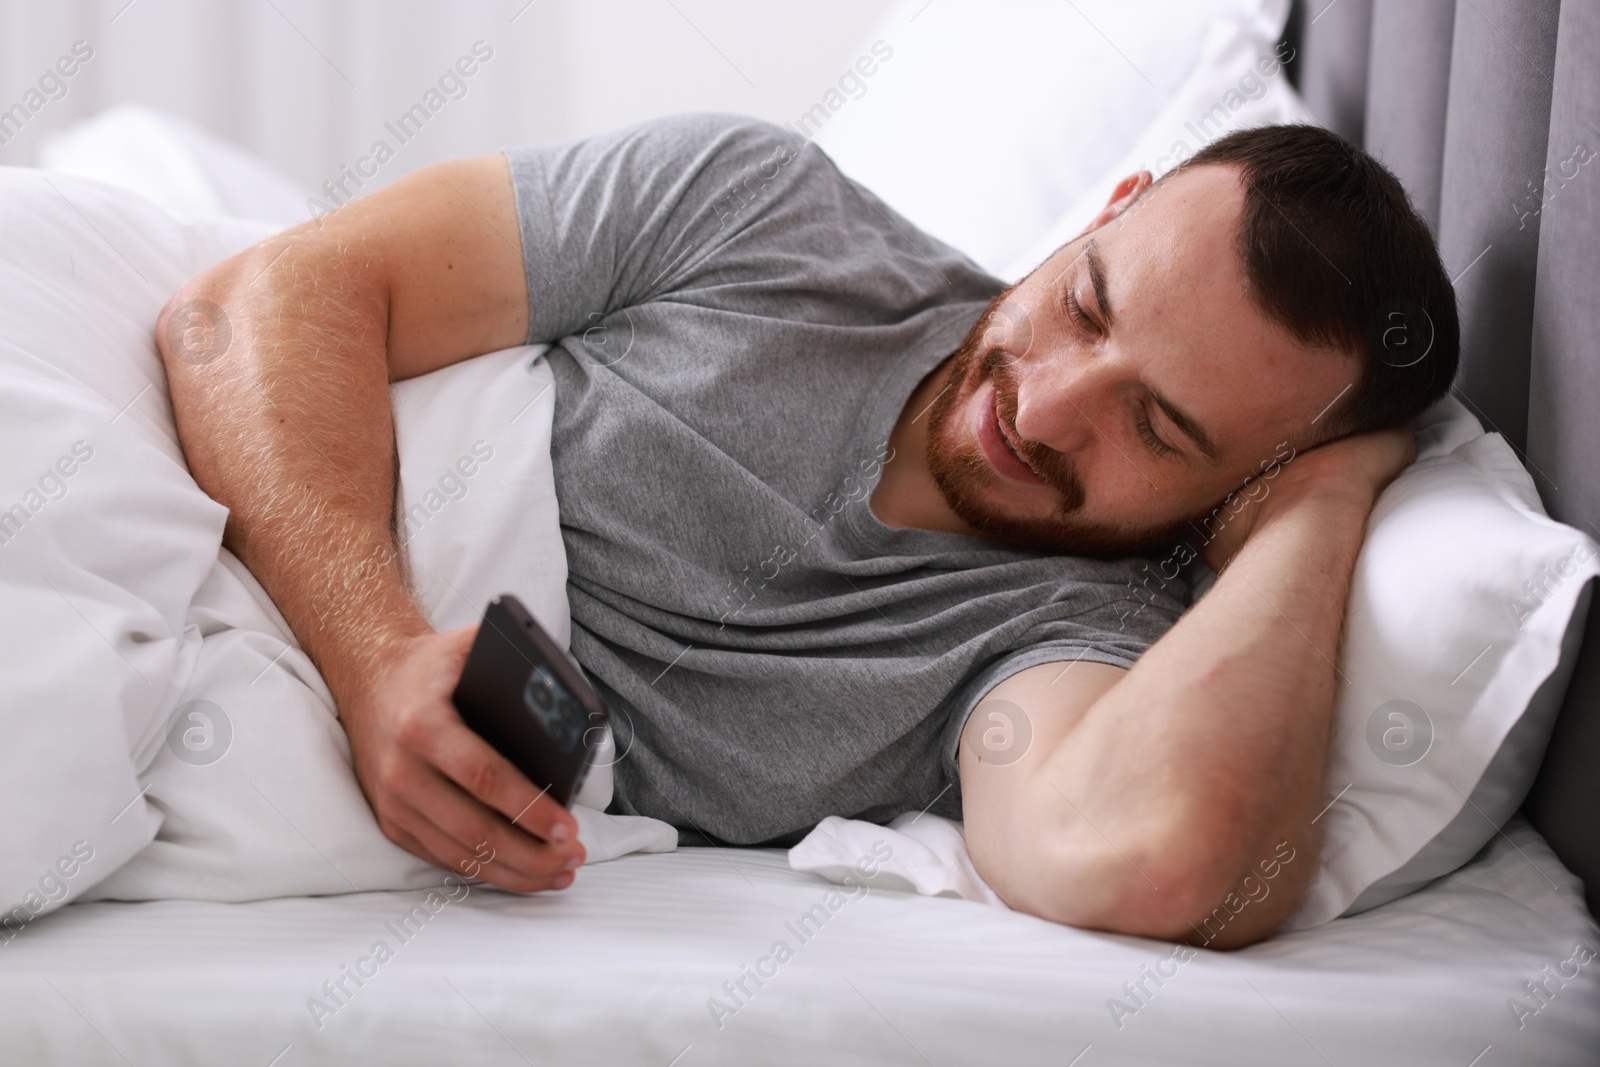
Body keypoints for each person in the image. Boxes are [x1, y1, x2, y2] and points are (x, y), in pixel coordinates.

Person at [157, 113, 1456, 949]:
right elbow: (263, 300)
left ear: (1246, 485)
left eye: (1160, 431)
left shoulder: (1076, 630)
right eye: (1089, 303)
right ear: (1105, 208)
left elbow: (1150, 860)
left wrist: (1322, 510)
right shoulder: (765, 210)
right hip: (228, 487)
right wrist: (377, 650)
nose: (1046, 406)